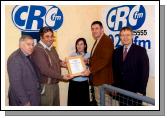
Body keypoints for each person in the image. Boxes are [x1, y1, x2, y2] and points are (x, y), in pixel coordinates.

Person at [31, 26, 73, 106]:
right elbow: (45, 69)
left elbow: (56, 60)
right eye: (47, 36)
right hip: (46, 87)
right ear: (41, 37)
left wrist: (62, 63)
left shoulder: (52, 48)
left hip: (54, 85)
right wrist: (62, 77)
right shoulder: (38, 50)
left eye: (51, 36)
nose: (50, 39)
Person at [112, 26, 149, 106]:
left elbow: (144, 73)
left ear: (132, 36)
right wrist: (114, 87)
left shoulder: (141, 51)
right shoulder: (116, 52)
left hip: (135, 93)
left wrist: (141, 91)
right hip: (121, 92)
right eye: (122, 35)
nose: (125, 38)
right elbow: (115, 71)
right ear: (120, 37)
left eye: (128, 35)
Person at [82, 21, 114, 105]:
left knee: (105, 103)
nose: (94, 31)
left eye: (96, 28)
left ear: (102, 29)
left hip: (103, 80)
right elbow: (98, 58)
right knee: (100, 102)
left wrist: (90, 70)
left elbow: (104, 60)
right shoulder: (98, 40)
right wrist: (88, 60)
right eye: (92, 29)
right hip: (98, 79)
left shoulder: (106, 40)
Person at [7, 35, 40, 106]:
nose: (31, 47)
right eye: (28, 44)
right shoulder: (15, 59)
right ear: (21, 45)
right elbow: (16, 83)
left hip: (32, 97)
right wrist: (25, 102)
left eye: (32, 44)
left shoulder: (28, 55)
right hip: (23, 101)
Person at [67, 38, 90, 106]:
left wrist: (87, 62)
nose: (79, 46)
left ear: (85, 45)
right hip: (73, 83)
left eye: (81, 44)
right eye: (77, 44)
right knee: (73, 104)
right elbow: (69, 68)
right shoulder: (72, 55)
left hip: (84, 83)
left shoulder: (89, 55)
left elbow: (91, 68)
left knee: (83, 104)